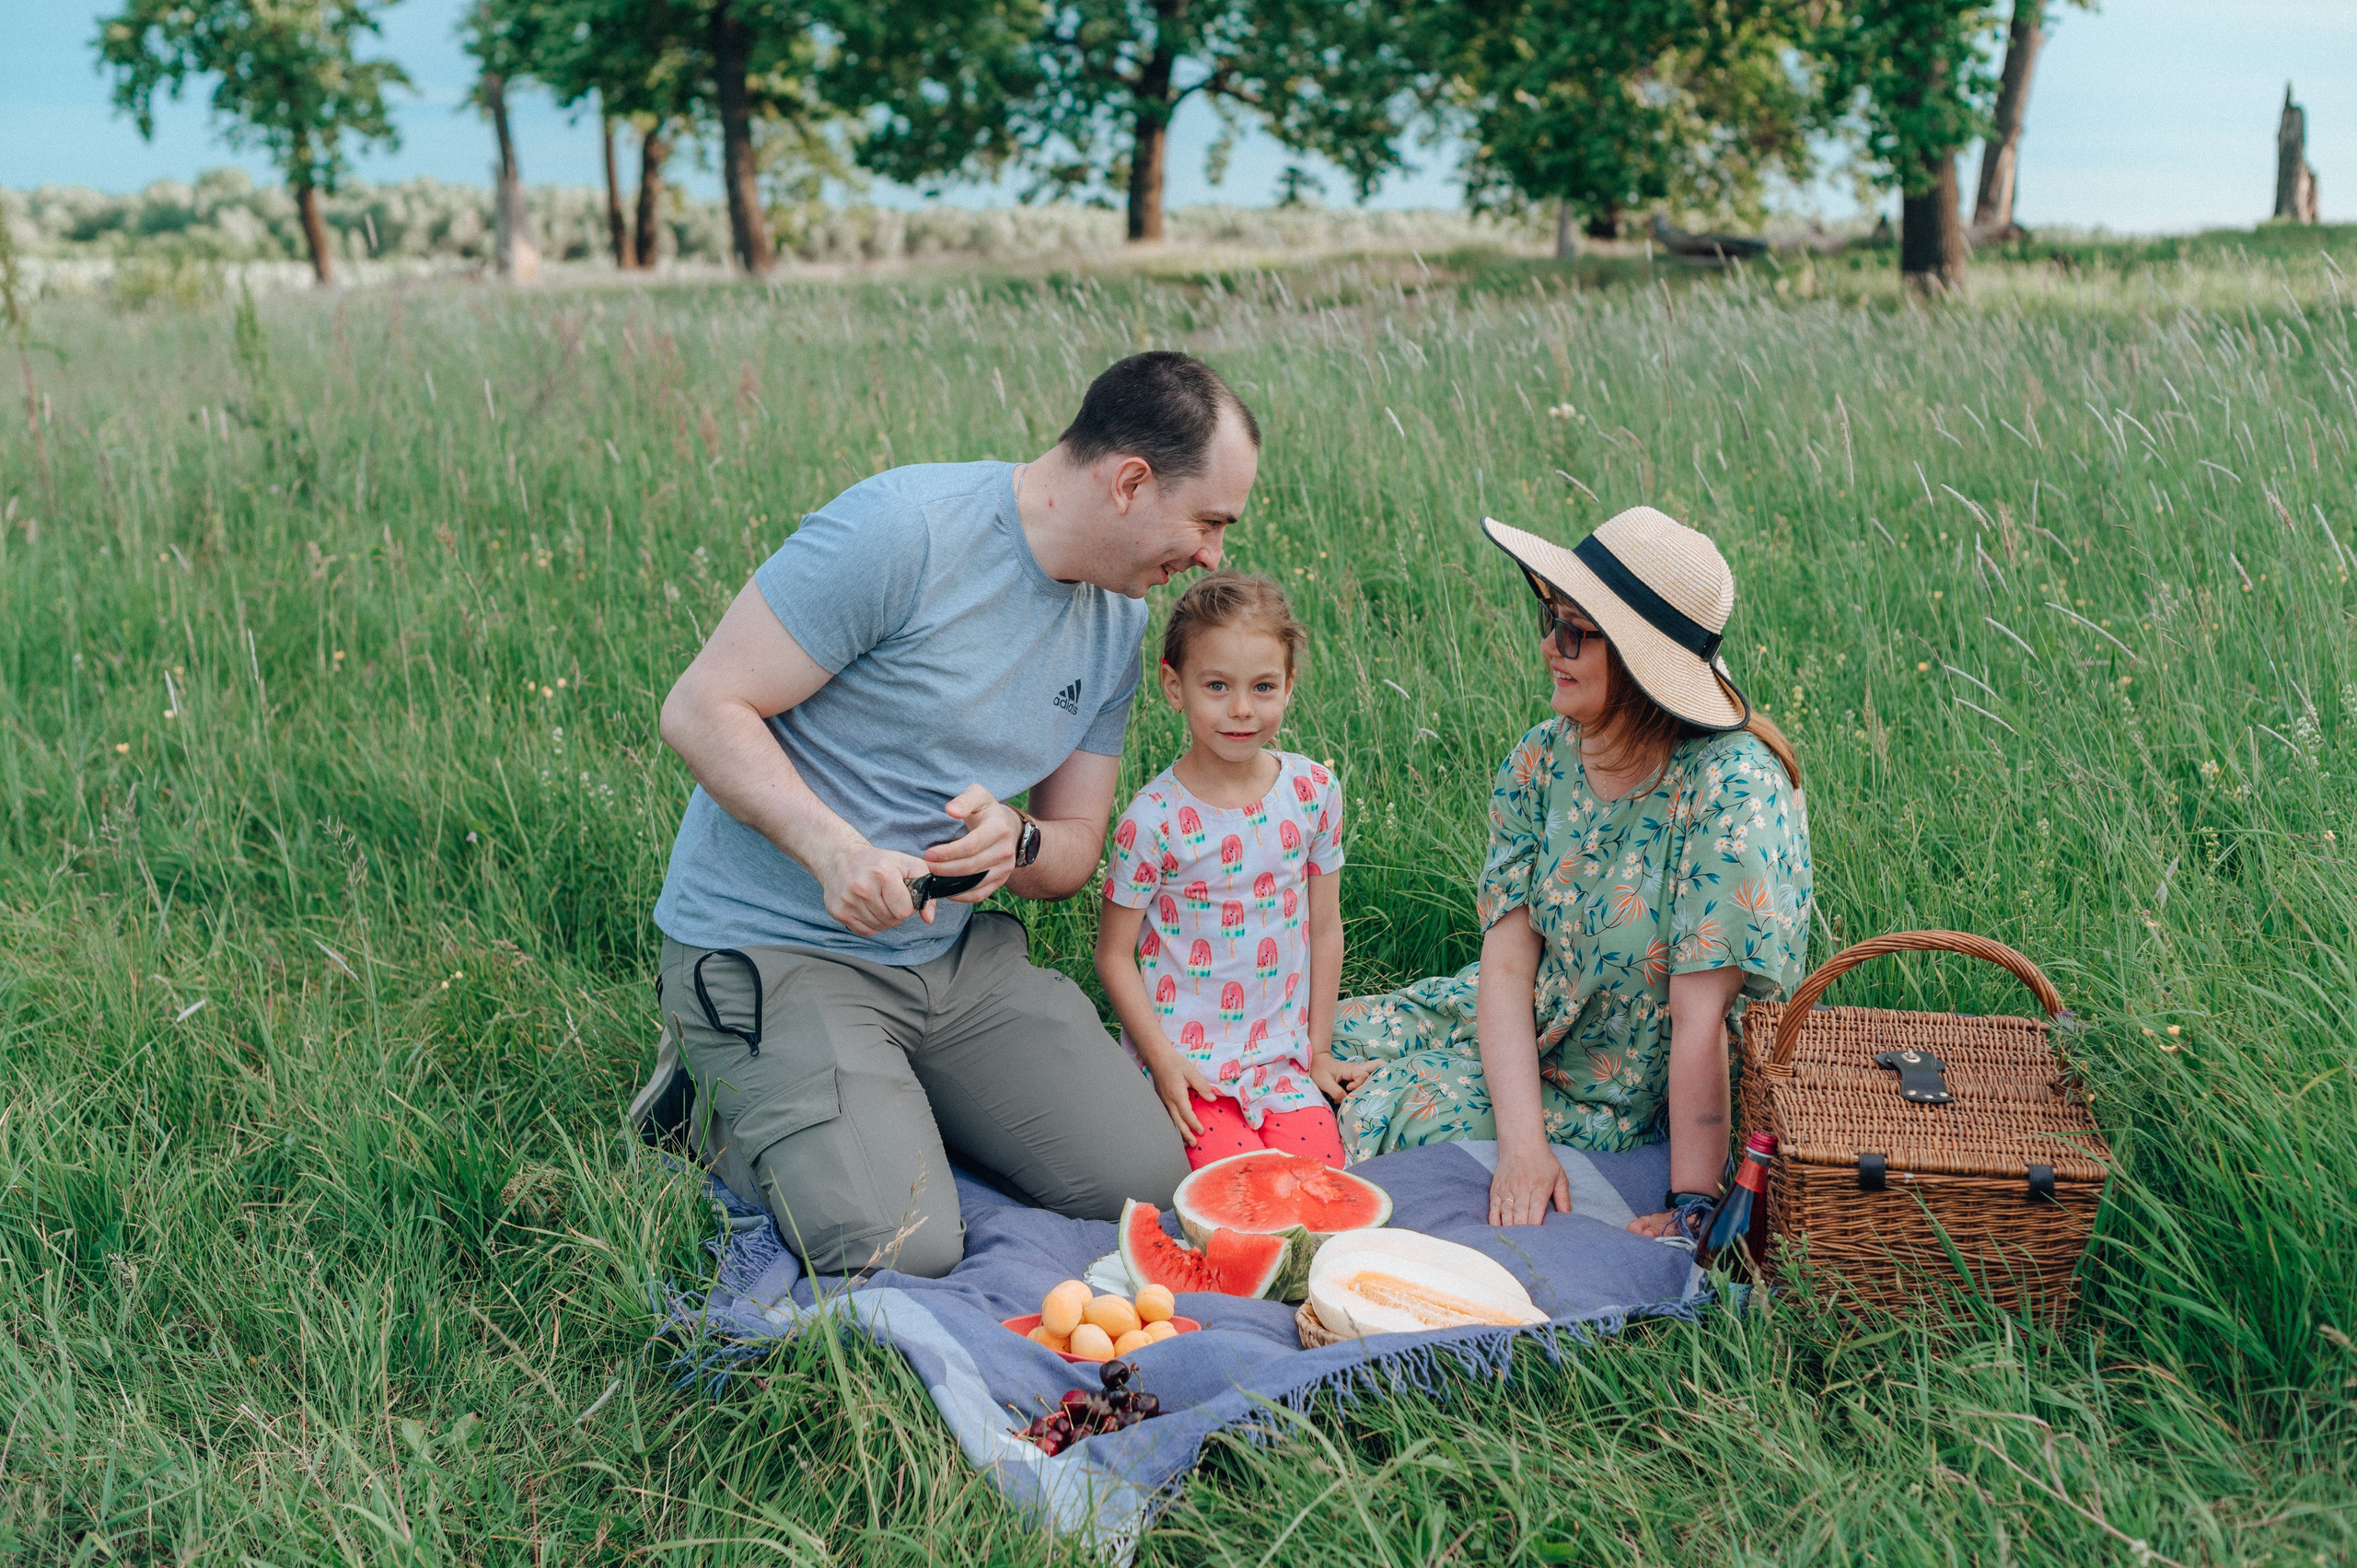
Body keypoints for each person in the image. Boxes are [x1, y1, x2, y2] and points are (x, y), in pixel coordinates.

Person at [633, 352, 1260, 1279]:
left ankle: (883, 1100)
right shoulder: (902, 531)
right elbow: (698, 708)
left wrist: (1021, 841)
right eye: (1208, 521)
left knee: (1145, 1181)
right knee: (903, 1247)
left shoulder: (1120, 622)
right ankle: (710, 1095)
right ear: (1130, 481)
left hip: (949, 962)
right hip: (774, 948)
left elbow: (1074, 849)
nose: (1211, 556)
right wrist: (835, 851)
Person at [1329, 505, 1811, 1241]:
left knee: (1391, 1106)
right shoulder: (1542, 756)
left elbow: (1700, 1022)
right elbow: (1507, 963)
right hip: (1535, 1009)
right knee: (1320, 1041)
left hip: (1622, 1084)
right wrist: (1522, 1144)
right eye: (1551, 618)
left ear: (1643, 664)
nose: (1550, 646)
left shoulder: (1732, 790)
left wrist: (1691, 1206)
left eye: (1576, 631)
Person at [1093, 573, 1366, 1172]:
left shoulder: (1314, 792)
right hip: (1189, 1065)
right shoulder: (1152, 822)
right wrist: (1162, 1060)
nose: (1241, 709)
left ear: (1289, 685)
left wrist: (1319, 1050)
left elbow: (1325, 927)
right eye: (1217, 685)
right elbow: (1113, 955)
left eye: (1263, 686)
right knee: (1234, 1189)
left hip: (1284, 1062)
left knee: (1321, 1179)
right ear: (1175, 686)